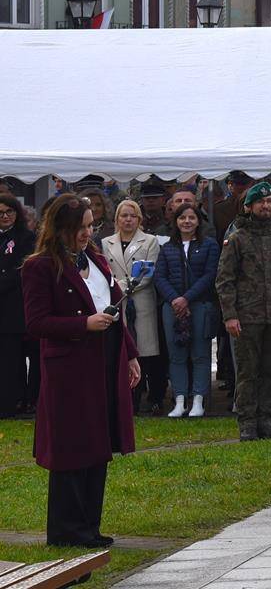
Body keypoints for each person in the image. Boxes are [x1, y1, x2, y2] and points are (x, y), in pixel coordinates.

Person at [23, 195, 139, 546]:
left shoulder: (99, 261)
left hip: (103, 362)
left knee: (98, 445)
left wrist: (131, 354)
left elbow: (116, 309)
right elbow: (36, 323)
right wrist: (83, 324)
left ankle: (89, 525)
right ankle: (66, 530)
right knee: (72, 449)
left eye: (91, 225)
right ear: (61, 228)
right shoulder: (39, 266)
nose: (88, 232)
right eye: (82, 227)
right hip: (68, 372)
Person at [215, 183, 271, 441]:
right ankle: (247, 423)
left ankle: (266, 419)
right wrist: (230, 314)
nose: (266, 206)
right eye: (260, 202)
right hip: (247, 316)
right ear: (249, 206)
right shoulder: (238, 238)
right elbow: (225, 279)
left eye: (269, 201)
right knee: (247, 371)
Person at [154, 204, 219, 417]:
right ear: (176, 221)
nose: (187, 221)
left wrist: (187, 298)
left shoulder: (209, 245)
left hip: (200, 305)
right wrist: (175, 299)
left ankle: (198, 400)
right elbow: (160, 277)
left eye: (192, 217)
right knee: (176, 355)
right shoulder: (167, 248)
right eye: (182, 218)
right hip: (171, 307)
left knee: (200, 354)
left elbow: (210, 275)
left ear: (199, 221)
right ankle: (180, 399)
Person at [104, 198, 164, 413]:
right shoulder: (105, 243)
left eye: (132, 215)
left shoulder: (150, 241)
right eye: (124, 215)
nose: (128, 219)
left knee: (145, 352)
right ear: (116, 219)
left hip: (142, 301)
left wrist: (119, 285)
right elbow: (105, 274)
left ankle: (153, 398)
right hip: (117, 303)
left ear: (139, 219)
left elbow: (147, 274)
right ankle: (127, 400)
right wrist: (117, 287)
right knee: (123, 351)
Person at [1, 194, 37, 416]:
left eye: (9, 212)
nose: (5, 216)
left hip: (14, 305)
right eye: (0, 213)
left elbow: (22, 268)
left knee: (13, 357)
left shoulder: (26, 237)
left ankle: (18, 401)